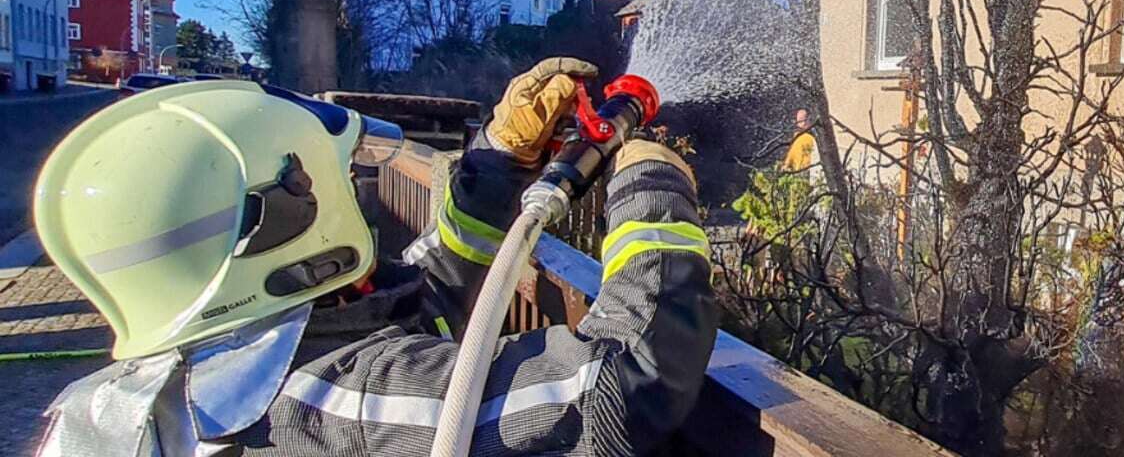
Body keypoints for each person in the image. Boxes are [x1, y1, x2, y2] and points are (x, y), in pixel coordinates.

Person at [35, 57, 717, 457]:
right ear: (288, 216)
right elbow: (627, 379)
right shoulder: (335, 400)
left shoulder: (173, 392)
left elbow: (434, 313)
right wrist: (652, 184)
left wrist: (498, 161)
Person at [781, 108, 816, 172]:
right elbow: (790, 157)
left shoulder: (815, 138)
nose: (804, 123)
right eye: (800, 121)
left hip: (809, 172)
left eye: (806, 119)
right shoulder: (797, 138)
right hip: (799, 172)